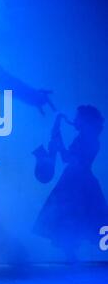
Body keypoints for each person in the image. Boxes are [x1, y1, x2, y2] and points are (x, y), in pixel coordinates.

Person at [33, 105, 107, 262]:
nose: (74, 120)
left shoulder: (89, 140)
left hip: (77, 180)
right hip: (79, 179)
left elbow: (70, 159)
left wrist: (59, 145)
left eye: (78, 117)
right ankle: (71, 257)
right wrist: (58, 141)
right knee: (74, 217)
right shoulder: (86, 138)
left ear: (86, 120)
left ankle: (72, 257)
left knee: (71, 217)